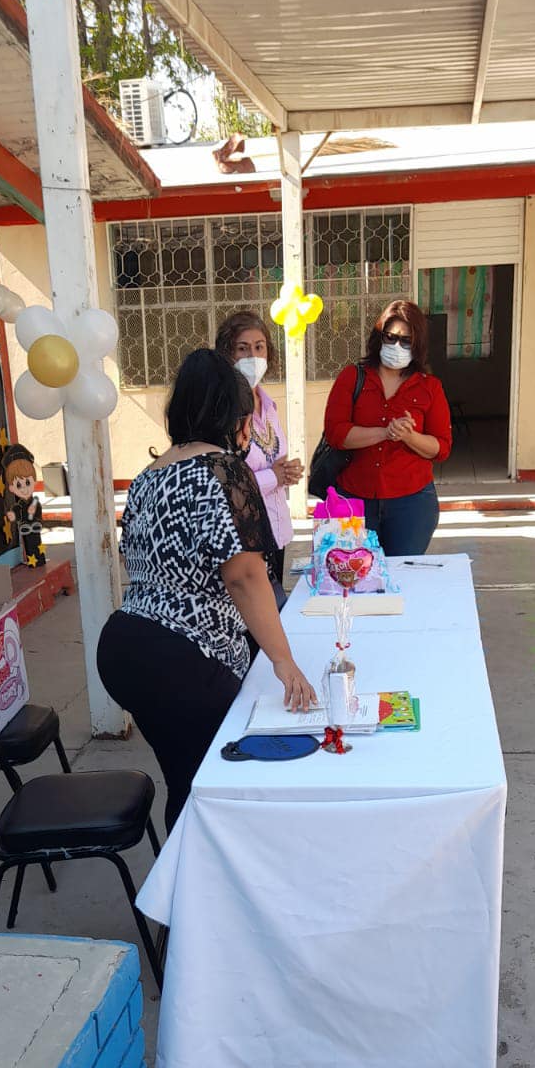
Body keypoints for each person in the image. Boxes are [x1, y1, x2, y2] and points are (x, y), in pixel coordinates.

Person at [97, 349, 317, 832]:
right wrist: (283, 659)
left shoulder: (146, 478)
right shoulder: (224, 470)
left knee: (187, 779)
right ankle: (199, 897)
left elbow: (134, 556)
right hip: (183, 654)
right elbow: (245, 575)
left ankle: (181, 893)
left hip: (124, 646)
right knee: (212, 787)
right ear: (233, 418)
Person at [322, 299, 452, 556]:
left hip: (411, 503)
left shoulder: (430, 387)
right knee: (354, 578)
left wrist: (409, 436)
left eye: (406, 341)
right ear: (379, 336)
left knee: (403, 580)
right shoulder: (353, 377)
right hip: (354, 498)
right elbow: (336, 433)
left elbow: (442, 448)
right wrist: (385, 432)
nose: (397, 346)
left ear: (417, 345)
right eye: (391, 337)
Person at [215, 310, 301, 585]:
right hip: (245, 535)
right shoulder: (223, 412)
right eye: (243, 348)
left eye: (259, 347)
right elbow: (221, 483)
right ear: (228, 355)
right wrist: (272, 477)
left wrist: (286, 472)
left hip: (276, 530)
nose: (253, 356)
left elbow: (275, 458)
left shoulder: (268, 404)